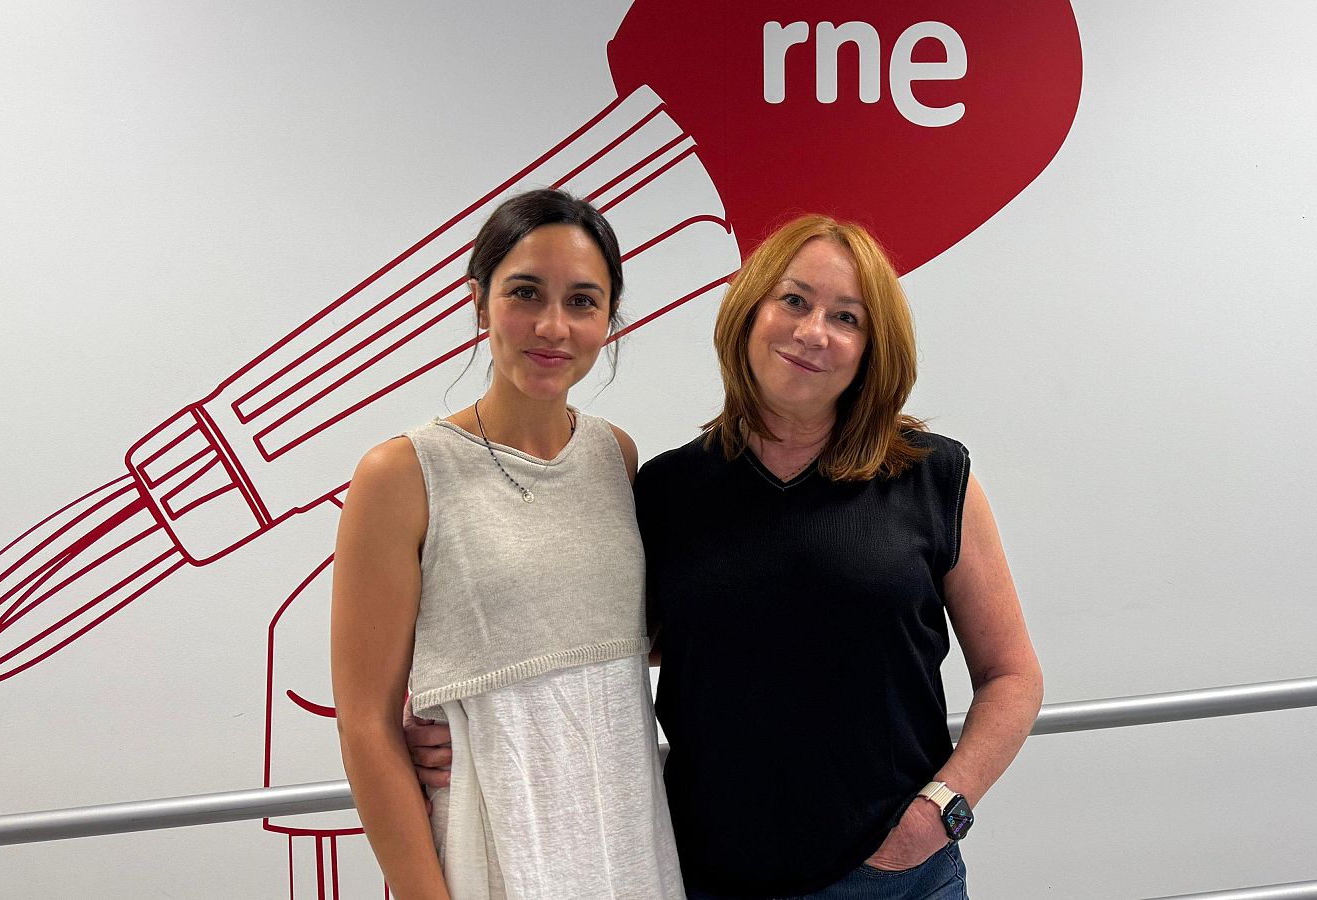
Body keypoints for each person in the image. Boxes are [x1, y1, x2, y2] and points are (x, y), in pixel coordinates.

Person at [410, 214, 1043, 899]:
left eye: (846, 317)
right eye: (794, 300)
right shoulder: (667, 490)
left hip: (894, 877)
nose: (812, 332)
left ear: (871, 348)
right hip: (709, 875)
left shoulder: (933, 475)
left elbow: (1012, 676)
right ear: (751, 310)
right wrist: (478, 727)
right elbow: (605, 641)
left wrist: (939, 812)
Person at [332, 188, 684, 900]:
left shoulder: (615, 457)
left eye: (583, 301)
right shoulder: (401, 474)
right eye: (525, 292)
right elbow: (366, 724)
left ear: (609, 321)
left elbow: (603, 635)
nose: (552, 326)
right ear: (478, 300)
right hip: (492, 850)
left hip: (626, 840)